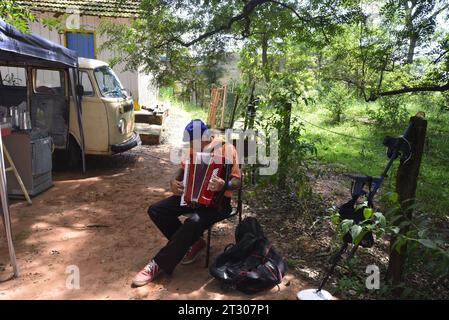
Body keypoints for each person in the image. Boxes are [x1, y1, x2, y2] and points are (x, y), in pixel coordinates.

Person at [132, 119, 241, 287]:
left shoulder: (227, 149)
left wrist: (224, 184)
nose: (191, 145)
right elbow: (182, 170)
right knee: (157, 210)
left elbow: (237, 182)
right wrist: (173, 181)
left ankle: (158, 264)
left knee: (193, 222)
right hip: (191, 197)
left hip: (219, 203)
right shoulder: (192, 150)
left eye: (193, 142)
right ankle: (194, 242)